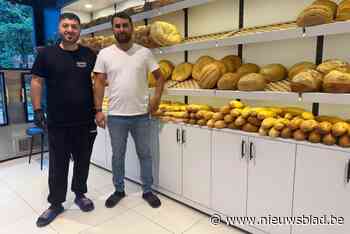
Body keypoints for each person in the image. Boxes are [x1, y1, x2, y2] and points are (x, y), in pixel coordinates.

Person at [31, 13, 97, 227]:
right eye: (66, 26)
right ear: (60, 29)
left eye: (74, 26)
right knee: (58, 164)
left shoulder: (89, 55)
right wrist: (37, 109)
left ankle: (80, 194)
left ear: (79, 30)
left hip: (85, 121)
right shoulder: (46, 54)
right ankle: (56, 203)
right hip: (58, 121)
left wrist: (98, 110)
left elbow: (98, 84)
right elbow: (37, 81)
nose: (70, 30)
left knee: (83, 161)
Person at [93, 11, 165, 209]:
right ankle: (119, 190)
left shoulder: (144, 52)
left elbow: (160, 77)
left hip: (141, 115)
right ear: (113, 29)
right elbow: (98, 83)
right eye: (117, 26)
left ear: (132, 27)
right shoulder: (104, 54)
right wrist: (98, 110)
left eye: (125, 25)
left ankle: (147, 190)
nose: (121, 29)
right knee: (118, 155)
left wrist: (156, 98)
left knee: (145, 154)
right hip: (116, 115)